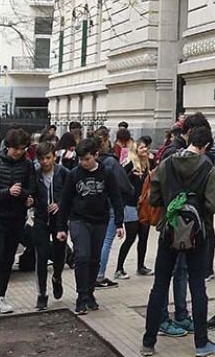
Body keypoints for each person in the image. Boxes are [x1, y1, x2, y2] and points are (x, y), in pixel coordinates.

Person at [140, 126, 215, 357]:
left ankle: (148, 342)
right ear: (205, 145)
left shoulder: (166, 164)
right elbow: (214, 203)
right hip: (198, 233)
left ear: (188, 139)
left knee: (160, 285)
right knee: (197, 285)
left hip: (170, 229)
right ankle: (201, 343)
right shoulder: (208, 167)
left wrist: (172, 205)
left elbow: (154, 197)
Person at [56, 138, 125, 315]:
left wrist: (119, 222)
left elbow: (116, 198)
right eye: (81, 159)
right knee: (82, 257)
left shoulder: (107, 173)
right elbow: (65, 202)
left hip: (100, 221)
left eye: (87, 159)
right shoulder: (74, 174)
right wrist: (61, 227)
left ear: (96, 155)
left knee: (95, 259)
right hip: (79, 220)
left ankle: (90, 293)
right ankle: (81, 296)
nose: (83, 163)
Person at [0, 128, 35, 320]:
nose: (19, 152)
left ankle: (1, 296)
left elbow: (31, 189)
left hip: (16, 217)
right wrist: (7, 192)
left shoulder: (28, 165)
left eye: (23, 149)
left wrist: (27, 198)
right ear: (8, 147)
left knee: (7, 258)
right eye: (16, 149)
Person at [92, 128, 134, 289]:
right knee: (106, 241)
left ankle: (93, 275)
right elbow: (125, 185)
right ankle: (99, 275)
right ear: (104, 142)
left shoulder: (91, 161)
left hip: (95, 206)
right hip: (110, 205)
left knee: (97, 241)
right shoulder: (110, 162)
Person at [32, 141, 68, 311]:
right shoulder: (35, 174)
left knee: (59, 254)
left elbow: (71, 195)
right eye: (41, 159)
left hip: (58, 221)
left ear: (54, 157)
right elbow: (30, 192)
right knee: (41, 255)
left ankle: (57, 277)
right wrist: (30, 201)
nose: (45, 162)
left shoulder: (63, 173)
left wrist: (60, 204)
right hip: (40, 219)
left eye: (48, 158)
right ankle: (42, 294)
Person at [117, 136, 155, 279]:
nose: (145, 149)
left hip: (144, 206)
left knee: (144, 237)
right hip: (131, 205)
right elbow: (121, 182)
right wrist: (131, 175)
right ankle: (119, 268)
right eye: (141, 147)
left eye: (145, 147)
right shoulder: (130, 163)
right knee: (131, 237)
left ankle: (141, 266)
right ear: (136, 149)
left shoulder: (147, 163)